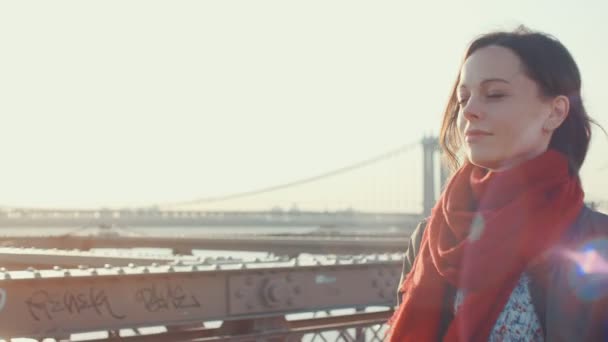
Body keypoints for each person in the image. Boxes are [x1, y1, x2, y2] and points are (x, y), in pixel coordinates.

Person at [387, 26, 608, 341]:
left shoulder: (597, 243)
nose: (470, 111)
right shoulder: (430, 239)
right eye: (464, 98)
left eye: (495, 94)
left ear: (555, 112)